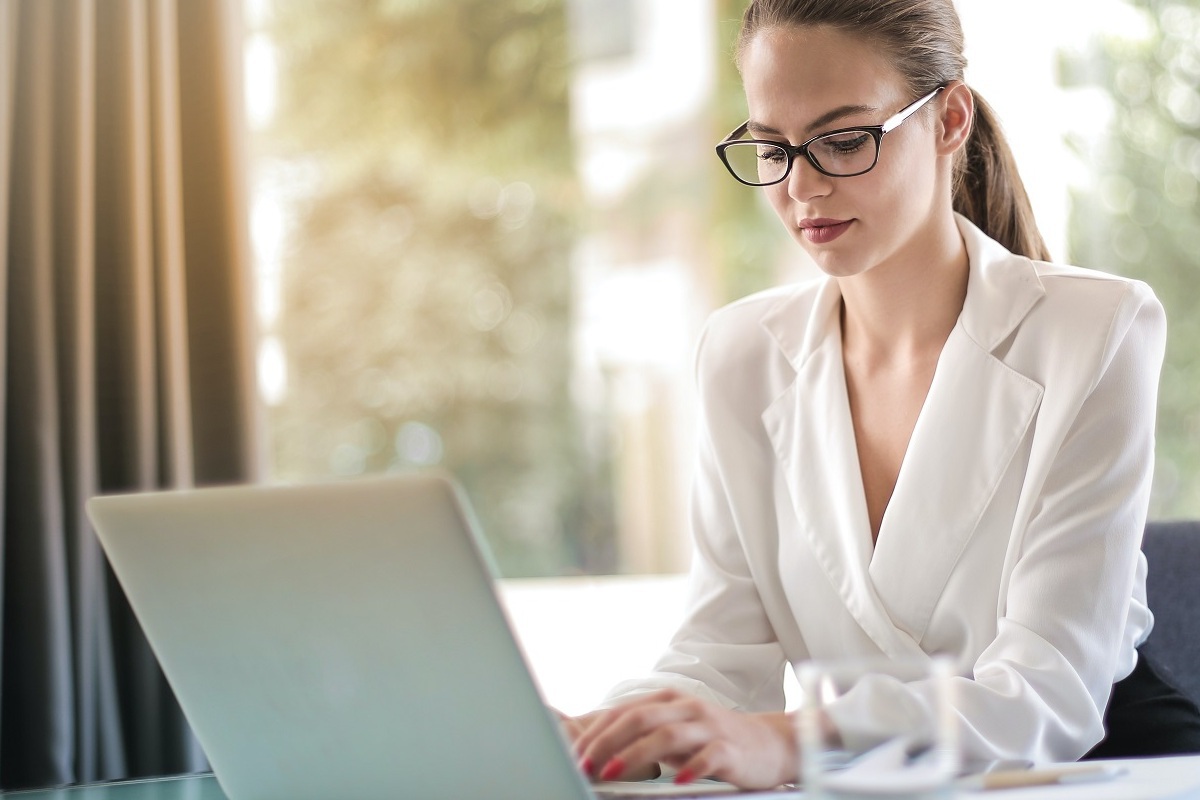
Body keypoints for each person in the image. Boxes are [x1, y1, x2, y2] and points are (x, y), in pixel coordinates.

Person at [562, 0, 1200, 791]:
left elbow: (1048, 695)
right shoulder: (742, 353)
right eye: (772, 147)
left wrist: (795, 744)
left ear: (949, 120)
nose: (801, 186)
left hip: (1103, 770)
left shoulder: (1097, 329)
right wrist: (614, 734)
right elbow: (718, 658)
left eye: (842, 140)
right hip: (869, 781)